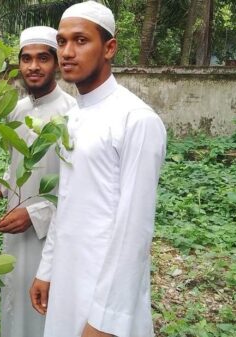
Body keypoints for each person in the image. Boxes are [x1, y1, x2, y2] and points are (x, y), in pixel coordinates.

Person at [29, 2, 167, 337]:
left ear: (109, 48)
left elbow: (134, 233)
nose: (67, 52)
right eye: (62, 42)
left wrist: (105, 321)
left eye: (80, 40)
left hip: (107, 299)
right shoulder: (75, 116)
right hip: (67, 280)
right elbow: (66, 202)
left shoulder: (136, 120)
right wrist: (47, 269)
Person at [0, 26, 76, 337]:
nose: (33, 66)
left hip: (53, 234)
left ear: (56, 63)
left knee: (45, 308)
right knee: (16, 305)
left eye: (42, 58)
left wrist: (34, 213)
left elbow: (78, 189)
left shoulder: (72, 115)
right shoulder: (17, 110)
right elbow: (15, 172)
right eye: (26, 59)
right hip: (15, 229)